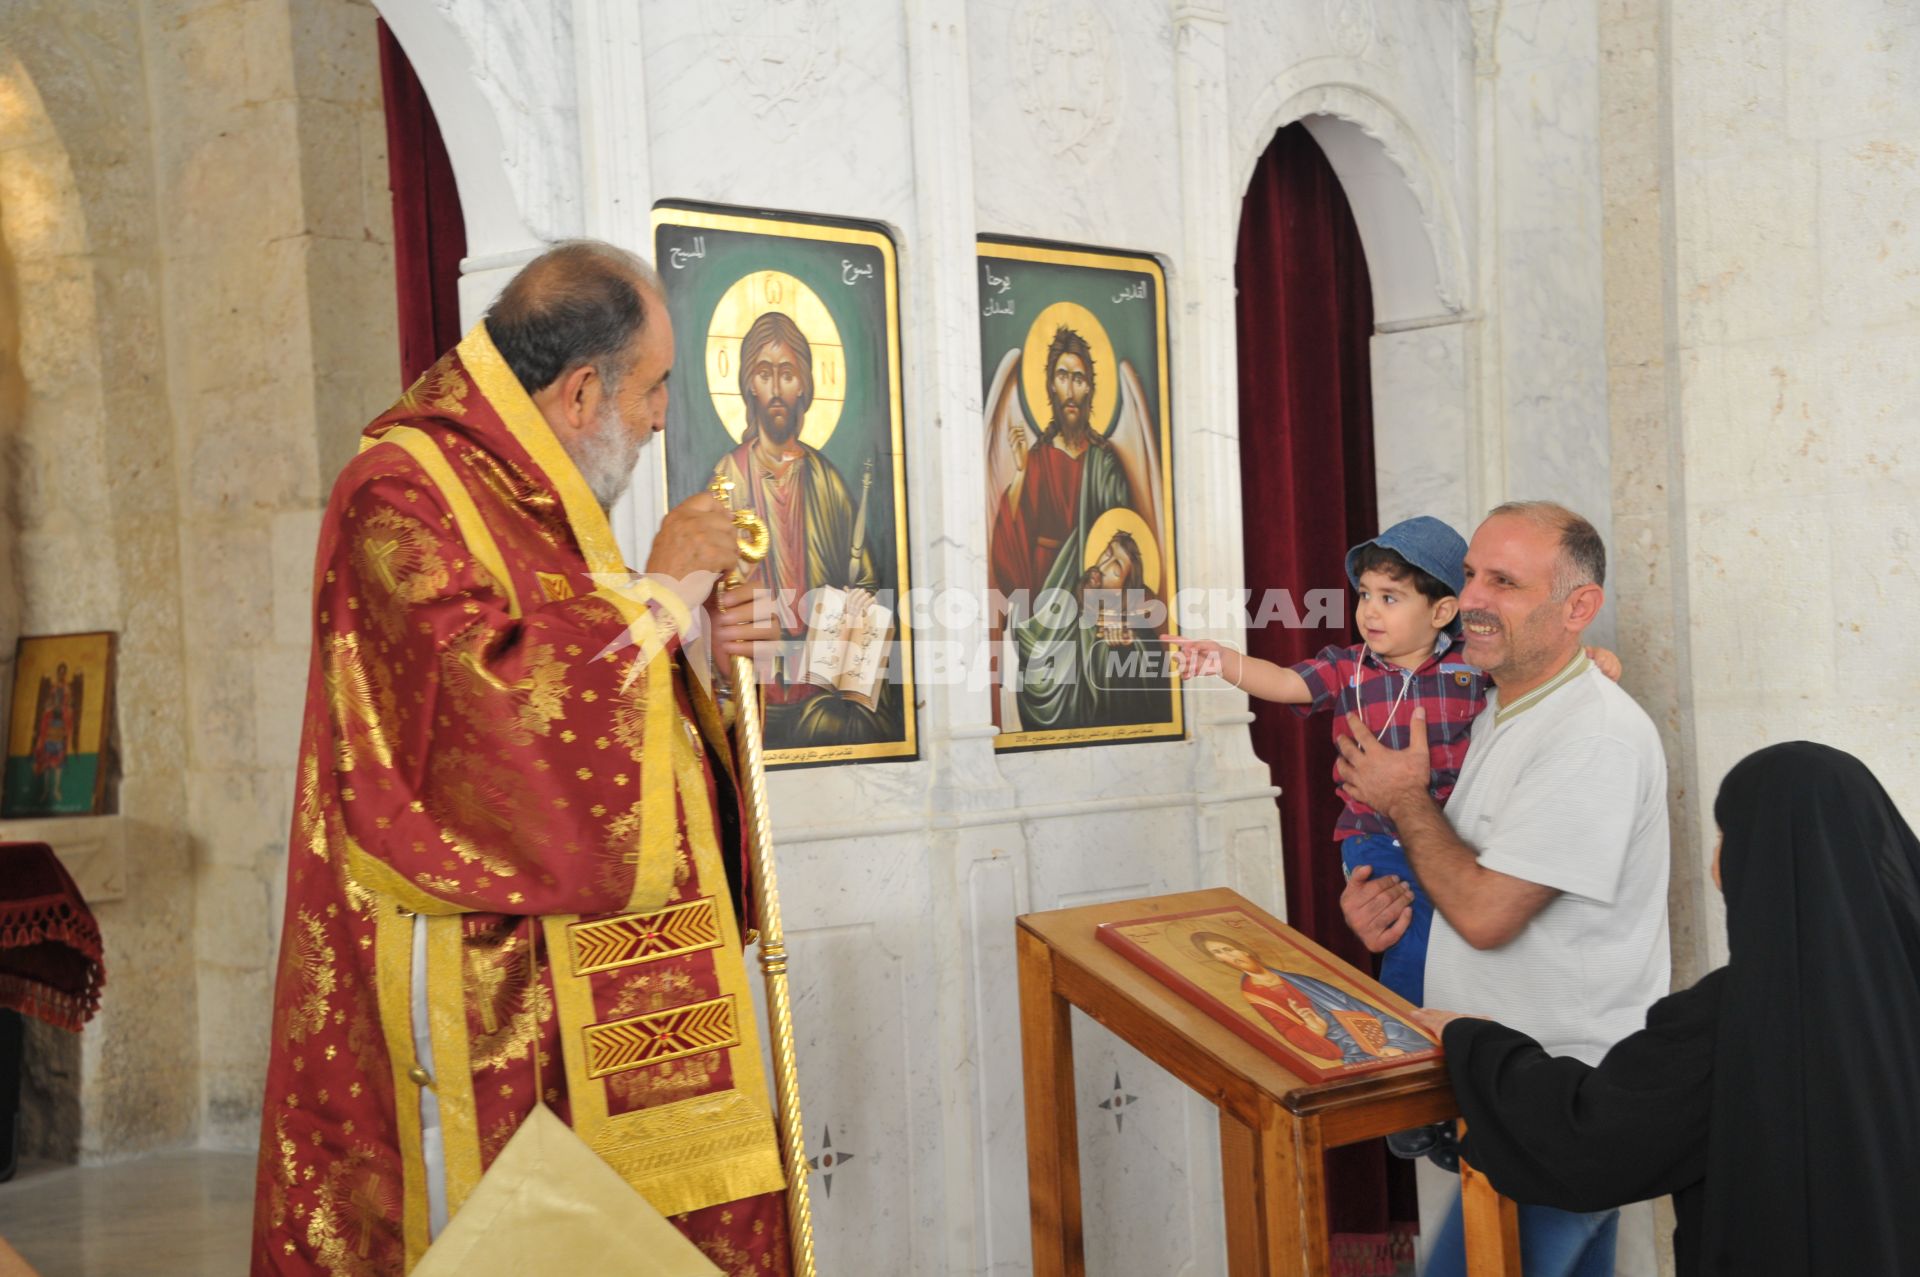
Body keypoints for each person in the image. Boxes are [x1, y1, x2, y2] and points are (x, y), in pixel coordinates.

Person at [251, 241, 792, 1275]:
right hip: (484, 1007)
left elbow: (607, 705)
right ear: (583, 389)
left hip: (604, 983)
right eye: (653, 388)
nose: (659, 416)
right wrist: (663, 593)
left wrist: (704, 657)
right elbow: (488, 724)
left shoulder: (533, 494)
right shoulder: (400, 494)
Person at [1417, 743, 1920, 1276]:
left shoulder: (1737, 1018)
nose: (1715, 861)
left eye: (1727, 834)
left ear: (1763, 854)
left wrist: (1476, 1044)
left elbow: (1592, 1140)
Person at [1335, 501, 1670, 1277]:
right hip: (1524, 1100)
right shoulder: (1498, 712)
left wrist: (1404, 799)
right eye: (1472, 575)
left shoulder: (1592, 736)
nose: (1475, 598)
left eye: (1506, 582)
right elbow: (1465, 876)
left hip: (1561, 1106)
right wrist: (1389, 903)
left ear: (1578, 606)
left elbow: (1487, 913)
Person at [1166, 517, 1621, 1005]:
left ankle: (1456, 1018)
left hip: (1453, 834)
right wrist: (1224, 660)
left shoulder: (1470, 662)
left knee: (1468, 927)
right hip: (1375, 835)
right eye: (1365, 595)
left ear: (1442, 610)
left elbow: (1536, 668)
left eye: (1390, 598)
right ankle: (1407, 1020)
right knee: (1410, 924)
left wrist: (1593, 661)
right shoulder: (1348, 666)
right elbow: (1283, 681)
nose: (1369, 612)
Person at [709, 310, 894, 749]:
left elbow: (863, 576)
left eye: (787, 374)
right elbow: (713, 583)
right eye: (765, 373)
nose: (776, 389)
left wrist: (856, 597)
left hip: (820, 669)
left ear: (805, 386)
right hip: (760, 667)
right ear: (748, 385)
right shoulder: (729, 475)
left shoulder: (825, 478)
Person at [1191, 932, 1427, 1065]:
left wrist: (1377, 1029)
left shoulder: (1295, 977)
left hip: (1364, 1024)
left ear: (1244, 950)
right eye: (1218, 954)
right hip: (1340, 1040)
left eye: (1227, 949)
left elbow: (1347, 1001)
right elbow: (1285, 1031)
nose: (1227, 956)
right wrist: (1316, 1032)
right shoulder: (1254, 995)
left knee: (1406, 1040)